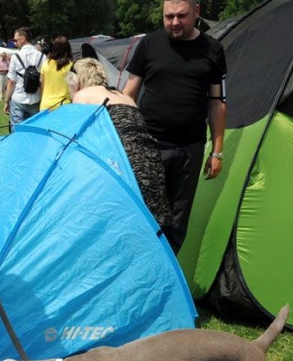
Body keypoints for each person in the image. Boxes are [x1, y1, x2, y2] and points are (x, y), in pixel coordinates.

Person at [123, 0, 227, 253]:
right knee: (142, 216)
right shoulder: (148, 44)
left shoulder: (213, 49)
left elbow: (218, 103)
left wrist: (217, 151)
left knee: (177, 222)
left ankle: (166, 282)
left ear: (196, 12)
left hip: (189, 151)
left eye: (181, 16)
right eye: (168, 16)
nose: (174, 22)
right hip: (148, 147)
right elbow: (128, 95)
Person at [70, 58, 171, 229]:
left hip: (124, 164)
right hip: (151, 163)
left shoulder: (82, 95)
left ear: (77, 81)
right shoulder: (123, 96)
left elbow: (76, 140)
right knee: (147, 226)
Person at [4, 27, 43, 128]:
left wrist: (6, 101)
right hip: (36, 98)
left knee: (17, 130)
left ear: (23, 39)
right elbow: (43, 81)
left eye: (16, 40)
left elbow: (11, 82)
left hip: (18, 98)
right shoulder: (42, 56)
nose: (15, 43)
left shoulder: (15, 57)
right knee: (35, 129)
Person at [40, 36, 73, 111]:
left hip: (46, 105)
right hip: (64, 106)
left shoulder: (46, 64)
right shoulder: (70, 66)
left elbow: (42, 85)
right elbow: (72, 88)